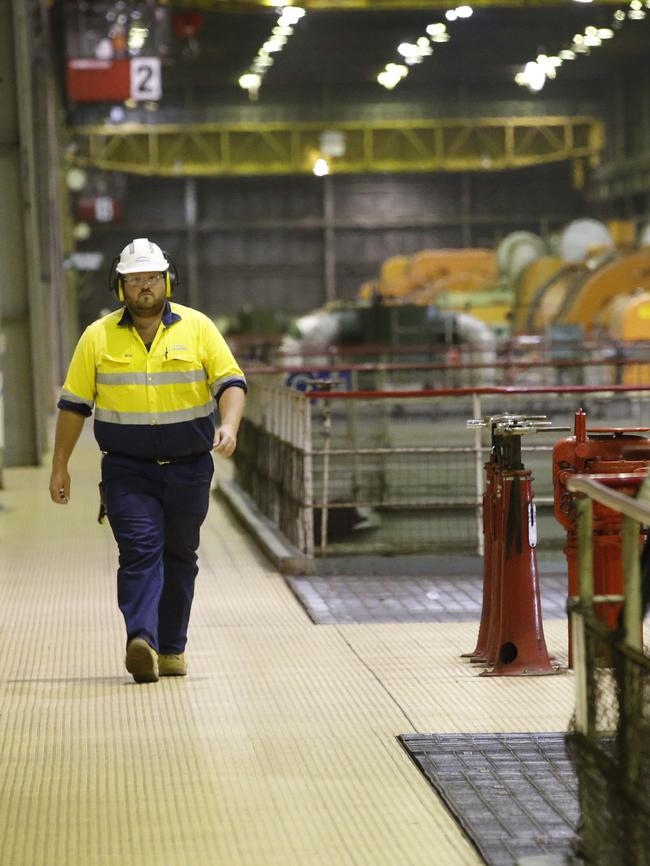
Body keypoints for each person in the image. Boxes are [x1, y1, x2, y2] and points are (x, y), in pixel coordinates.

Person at [49, 238, 247, 684]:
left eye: (152, 278)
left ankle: (172, 647)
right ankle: (141, 639)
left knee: (181, 554)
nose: (144, 287)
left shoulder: (198, 328)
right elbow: (74, 405)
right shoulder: (97, 337)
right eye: (135, 279)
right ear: (120, 286)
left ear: (167, 282)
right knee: (139, 551)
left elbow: (231, 381)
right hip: (126, 469)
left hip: (190, 467)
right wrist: (59, 465)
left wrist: (230, 426)